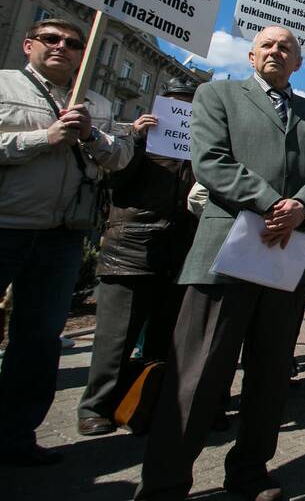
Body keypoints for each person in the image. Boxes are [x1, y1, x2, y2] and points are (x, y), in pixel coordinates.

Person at [136, 26, 305, 501]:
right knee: (198, 372)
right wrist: (272, 203)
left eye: (286, 47)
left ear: (298, 63)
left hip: (286, 258)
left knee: (269, 374)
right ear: (251, 55)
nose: (276, 51)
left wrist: (303, 206)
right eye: (267, 44)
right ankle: (164, 483)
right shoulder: (218, 94)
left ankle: (249, 472)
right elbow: (211, 162)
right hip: (226, 252)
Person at [0, 19, 132, 466]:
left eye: (73, 43)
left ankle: (16, 438)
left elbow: (119, 157)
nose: (63, 48)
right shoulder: (4, 85)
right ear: (28, 45)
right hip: (6, 224)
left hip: (62, 236)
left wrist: (92, 135)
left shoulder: (95, 101)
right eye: (51, 40)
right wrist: (44, 137)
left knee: (38, 341)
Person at [77, 78, 199, 436]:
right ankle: (96, 406)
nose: (182, 112)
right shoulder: (137, 140)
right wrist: (136, 136)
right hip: (130, 249)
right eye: (176, 103)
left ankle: (144, 402)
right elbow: (112, 176)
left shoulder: (197, 146)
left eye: (189, 106)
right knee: (116, 339)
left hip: (179, 251)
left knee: (164, 338)